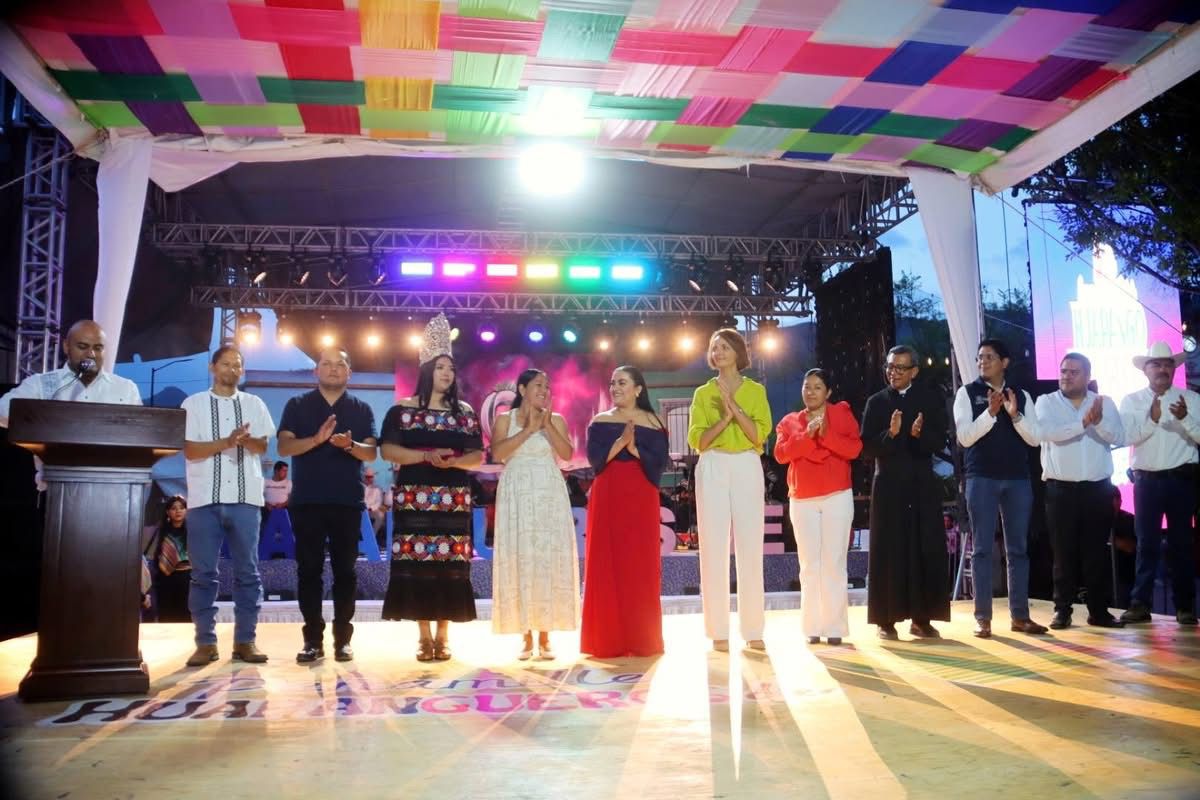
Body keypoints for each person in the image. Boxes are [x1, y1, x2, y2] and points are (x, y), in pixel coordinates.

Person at [380, 313, 483, 661]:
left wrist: (453, 462)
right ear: (427, 370)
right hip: (415, 499)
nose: (447, 373)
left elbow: (477, 457)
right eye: (440, 367)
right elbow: (387, 451)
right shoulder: (402, 411)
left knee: (449, 565)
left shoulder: (464, 412)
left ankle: (444, 635)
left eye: (451, 368)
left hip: (453, 500)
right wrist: (424, 457)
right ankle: (423, 636)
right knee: (418, 563)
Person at [278, 348, 378, 663]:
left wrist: (349, 445)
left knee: (345, 572)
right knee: (308, 571)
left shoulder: (361, 409)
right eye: (327, 364)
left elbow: (370, 453)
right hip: (307, 501)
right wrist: (316, 440)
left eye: (340, 364)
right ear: (316, 371)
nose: (333, 369)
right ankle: (312, 640)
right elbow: (284, 446)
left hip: (347, 502)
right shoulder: (297, 405)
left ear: (349, 372)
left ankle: (342, 641)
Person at [181, 345, 274, 666]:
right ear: (212, 367)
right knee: (203, 574)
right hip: (203, 499)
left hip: (246, 500)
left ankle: (245, 641)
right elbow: (190, 450)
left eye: (237, 365)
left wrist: (244, 440)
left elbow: (262, 446)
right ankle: (205, 643)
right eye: (226, 364)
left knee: (248, 573)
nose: (232, 370)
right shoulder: (193, 404)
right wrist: (226, 442)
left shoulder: (254, 403)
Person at [953, 339, 1048, 639]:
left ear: (1004, 363)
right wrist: (990, 414)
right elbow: (965, 437)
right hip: (981, 478)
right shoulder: (967, 393)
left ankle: (1020, 616)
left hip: (1018, 479)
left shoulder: (1020, 394)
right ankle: (983, 618)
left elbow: (1035, 439)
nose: (982, 361)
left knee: (1017, 549)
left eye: (989, 357)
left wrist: (1015, 415)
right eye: (979, 357)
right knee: (982, 549)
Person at [687, 329, 772, 653]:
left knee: (750, 547)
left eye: (724, 347)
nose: (718, 352)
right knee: (713, 547)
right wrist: (724, 419)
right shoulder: (702, 393)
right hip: (713, 464)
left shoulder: (756, 391)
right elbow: (698, 440)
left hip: (747, 464)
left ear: (738, 351)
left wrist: (733, 407)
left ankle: (753, 629)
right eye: (714, 348)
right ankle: (718, 630)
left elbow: (758, 436)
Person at [861, 345, 951, 640]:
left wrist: (917, 434)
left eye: (900, 368)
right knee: (889, 549)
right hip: (888, 485)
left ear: (914, 371)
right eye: (890, 367)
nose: (893, 373)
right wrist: (892, 434)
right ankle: (885, 620)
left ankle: (922, 619)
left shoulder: (930, 399)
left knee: (924, 547)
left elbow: (939, 440)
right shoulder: (876, 402)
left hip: (921, 483)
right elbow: (867, 447)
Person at [490, 368, 580, 660]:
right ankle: (526, 635)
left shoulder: (556, 419)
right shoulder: (505, 419)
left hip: (548, 492)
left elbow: (567, 453)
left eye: (547, 386)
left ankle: (545, 634)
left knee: (546, 558)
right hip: (517, 491)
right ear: (522, 389)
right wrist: (528, 429)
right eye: (538, 385)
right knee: (521, 555)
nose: (544, 390)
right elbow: (498, 454)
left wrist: (546, 425)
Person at [582, 365, 670, 658]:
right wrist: (620, 443)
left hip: (641, 493)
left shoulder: (654, 422)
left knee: (640, 562)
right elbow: (595, 461)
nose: (615, 388)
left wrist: (634, 451)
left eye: (622, 382)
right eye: (612, 383)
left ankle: (642, 638)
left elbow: (659, 463)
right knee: (606, 560)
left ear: (638, 389)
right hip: (608, 491)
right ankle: (607, 640)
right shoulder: (600, 421)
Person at [1034, 353, 1125, 629]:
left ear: (1087, 376)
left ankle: (1099, 611)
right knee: (1063, 554)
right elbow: (1048, 433)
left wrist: (1098, 422)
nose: (1066, 376)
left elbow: (1119, 437)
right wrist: (1083, 423)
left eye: (1074, 372)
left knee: (1096, 552)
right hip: (1060, 489)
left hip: (1098, 489)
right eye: (1063, 371)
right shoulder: (1046, 402)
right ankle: (1062, 610)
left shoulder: (1104, 403)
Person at [774, 368, 863, 645]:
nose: (810, 392)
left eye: (817, 387)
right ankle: (812, 626)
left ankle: (835, 627)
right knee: (809, 564)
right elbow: (781, 454)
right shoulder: (790, 422)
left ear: (829, 392)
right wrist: (806, 436)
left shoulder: (841, 414)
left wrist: (825, 435)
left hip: (837, 495)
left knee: (834, 562)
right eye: (807, 386)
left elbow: (854, 449)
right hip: (802, 499)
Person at [1118, 341, 1200, 626]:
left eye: (1168, 364)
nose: (1163, 369)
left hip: (1182, 479)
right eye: (1156, 364)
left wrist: (1185, 419)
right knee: (1146, 543)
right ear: (1146, 369)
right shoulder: (1132, 401)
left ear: (1174, 369)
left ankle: (1185, 607)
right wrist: (1151, 421)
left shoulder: (1191, 399)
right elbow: (1126, 437)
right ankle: (1140, 604)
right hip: (1147, 480)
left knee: (1182, 544)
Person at [0, 319, 142, 428]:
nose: (91, 354)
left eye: (98, 348)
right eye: (82, 347)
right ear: (66, 346)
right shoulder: (39, 384)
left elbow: (141, 431)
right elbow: (2, 412)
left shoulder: (126, 388)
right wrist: (32, 429)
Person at [143, 495, 191, 622]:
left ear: (186, 511)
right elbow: (153, 555)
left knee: (186, 616)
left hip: (187, 579)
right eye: (174, 508)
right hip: (165, 579)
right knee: (167, 616)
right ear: (168, 512)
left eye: (182, 508)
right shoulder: (160, 531)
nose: (178, 511)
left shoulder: (193, 531)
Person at [364, 468, 387, 546]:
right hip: (361, 510)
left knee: (380, 515)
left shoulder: (377, 488)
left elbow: (378, 502)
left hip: (372, 510)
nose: (369, 479)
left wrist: (370, 508)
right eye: (367, 477)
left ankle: (372, 537)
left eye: (371, 477)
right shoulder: (360, 487)